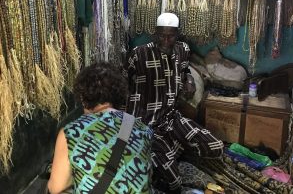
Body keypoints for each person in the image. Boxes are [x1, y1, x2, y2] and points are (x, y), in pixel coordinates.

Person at [124, 13, 224, 193]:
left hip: (170, 118)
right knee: (174, 184)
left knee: (216, 146)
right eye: (162, 35)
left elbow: (185, 70)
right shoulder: (139, 54)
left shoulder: (182, 49)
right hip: (145, 126)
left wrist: (189, 80)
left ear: (177, 34)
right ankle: (162, 156)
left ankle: (169, 150)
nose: (166, 40)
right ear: (155, 34)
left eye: (171, 36)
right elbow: (123, 85)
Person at [48, 62, 153, 194]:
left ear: (82, 96)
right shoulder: (143, 129)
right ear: (119, 94)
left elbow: (55, 188)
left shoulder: (70, 132)